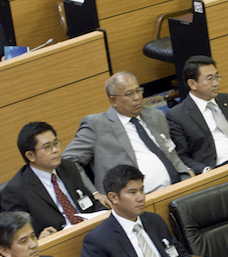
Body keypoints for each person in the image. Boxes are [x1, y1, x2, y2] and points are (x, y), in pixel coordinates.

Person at [81, 165, 199, 257]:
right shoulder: (98, 239)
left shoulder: (154, 221)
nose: (141, 197)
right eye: (132, 192)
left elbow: (180, 255)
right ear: (113, 197)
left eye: (142, 190)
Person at [63, 71, 193, 201]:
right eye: (129, 94)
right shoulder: (97, 125)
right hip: (134, 202)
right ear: (113, 100)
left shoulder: (156, 115)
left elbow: (170, 151)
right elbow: (68, 160)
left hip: (177, 187)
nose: (137, 97)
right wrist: (94, 193)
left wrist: (185, 171)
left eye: (138, 91)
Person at [1, 121, 107, 239]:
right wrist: (38, 238)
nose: (55, 150)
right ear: (31, 156)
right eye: (47, 147)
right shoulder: (16, 190)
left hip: (90, 231)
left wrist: (106, 213)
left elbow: (89, 201)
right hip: (60, 242)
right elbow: (18, 236)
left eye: (56, 143)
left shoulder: (68, 168)